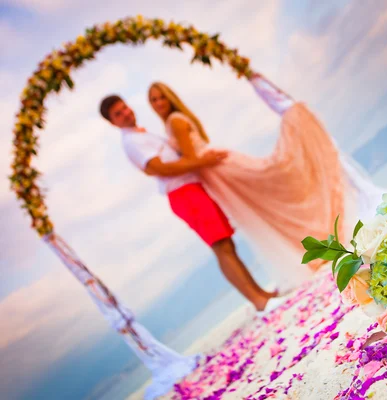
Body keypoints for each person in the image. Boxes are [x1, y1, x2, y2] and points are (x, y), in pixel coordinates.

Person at [146, 82, 345, 292]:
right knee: (264, 205)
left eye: (161, 97)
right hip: (214, 171)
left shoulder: (175, 121)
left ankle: (316, 237)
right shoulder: (171, 123)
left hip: (216, 167)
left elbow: (191, 159)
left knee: (268, 193)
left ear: (170, 97)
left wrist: (159, 169)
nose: (159, 103)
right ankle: (312, 241)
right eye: (154, 100)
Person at [99, 95, 280, 312]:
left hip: (189, 188)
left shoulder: (140, 135)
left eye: (124, 108)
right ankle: (259, 301)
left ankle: (261, 294)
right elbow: (161, 168)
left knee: (226, 244)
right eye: (118, 114)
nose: (126, 113)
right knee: (221, 246)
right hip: (183, 192)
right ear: (112, 122)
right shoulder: (132, 141)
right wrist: (201, 161)